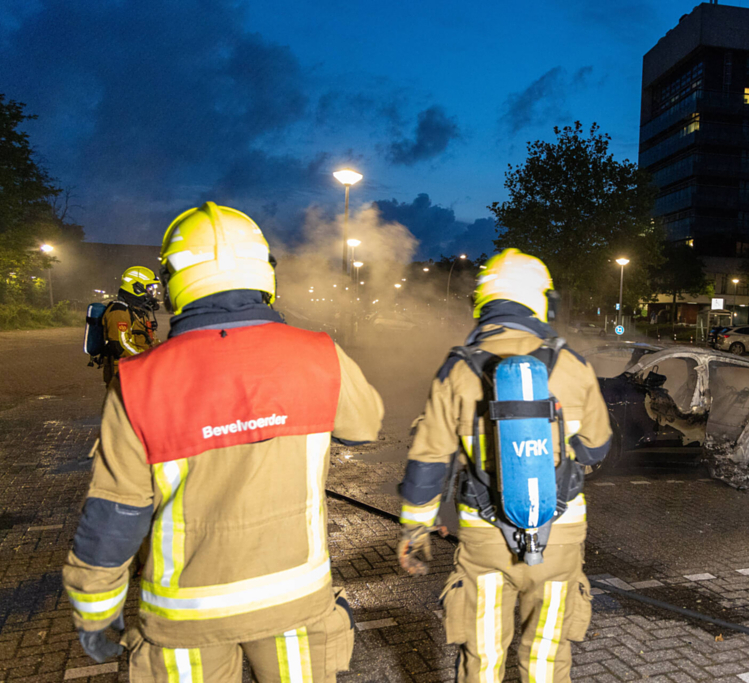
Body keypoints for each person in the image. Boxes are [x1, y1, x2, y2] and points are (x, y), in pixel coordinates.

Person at [63, 202, 384, 683]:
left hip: (186, 616)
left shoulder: (137, 383)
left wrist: (95, 610)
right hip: (294, 602)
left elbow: (116, 513)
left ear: (173, 278)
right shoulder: (320, 355)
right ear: (265, 270)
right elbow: (364, 427)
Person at [396, 248, 612, 682]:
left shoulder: (457, 370)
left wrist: (416, 527)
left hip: (485, 539)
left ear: (483, 302)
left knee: (484, 658)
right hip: (560, 535)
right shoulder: (572, 364)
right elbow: (595, 448)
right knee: (547, 658)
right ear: (540, 301)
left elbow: (428, 460)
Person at [101, 266, 161, 385]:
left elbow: (150, 339)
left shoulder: (138, 310)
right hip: (124, 373)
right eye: (149, 288)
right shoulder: (119, 311)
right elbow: (122, 345)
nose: (151, 293)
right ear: (136, 287)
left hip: (139, 369)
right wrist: (147, 359)